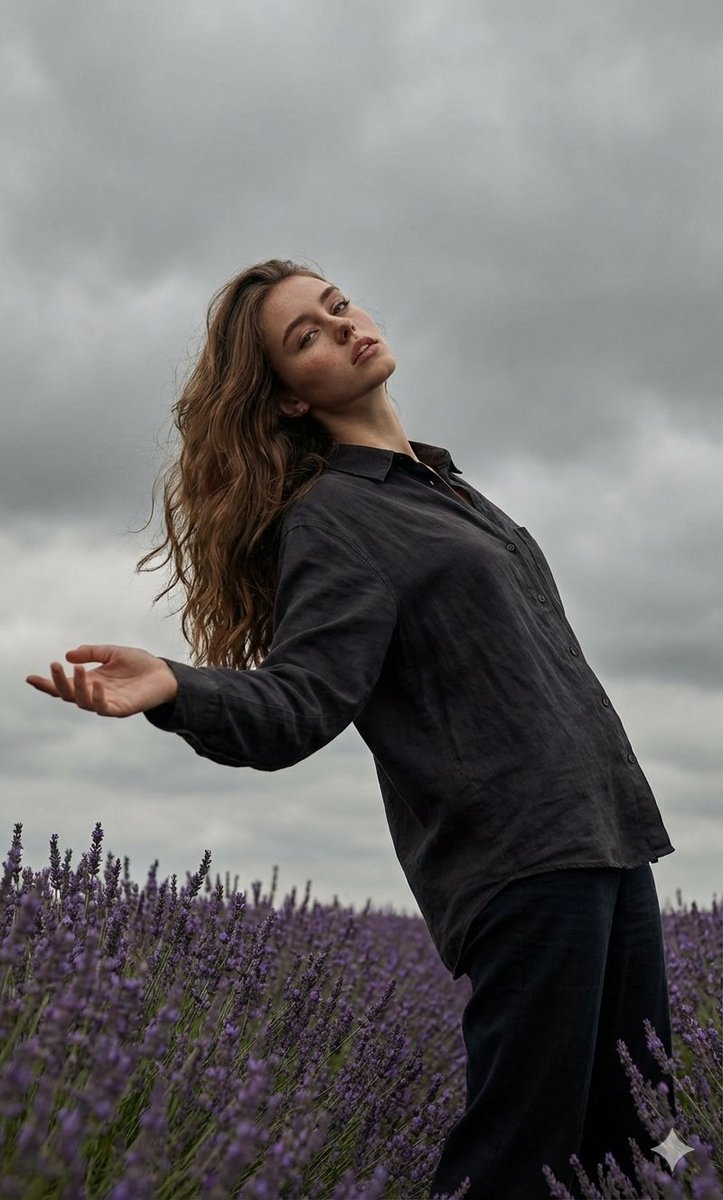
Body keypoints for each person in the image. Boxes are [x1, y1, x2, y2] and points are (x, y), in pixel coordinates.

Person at [27, 258, 678, 1198]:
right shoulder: (335, 518)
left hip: (608, 839)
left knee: (640, 1148)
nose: (340, 326)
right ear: (290, 398)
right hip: (524, 862)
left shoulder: (447, 490)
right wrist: (176, 687)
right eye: (307, 336)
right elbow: (299, 703)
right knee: (518, 1159)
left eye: (336, 307)